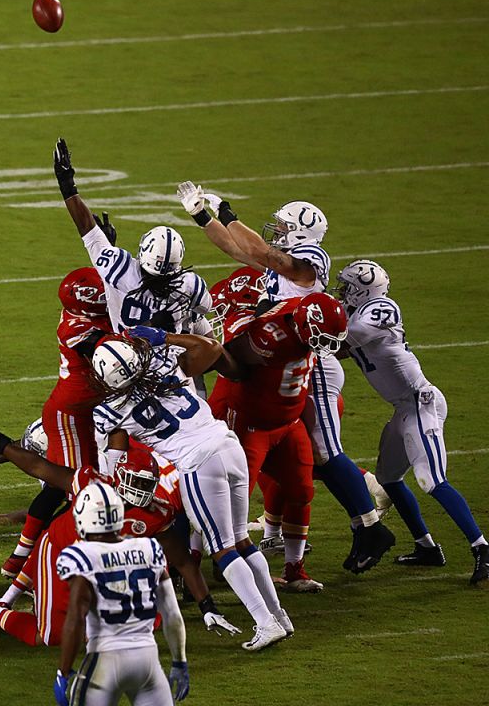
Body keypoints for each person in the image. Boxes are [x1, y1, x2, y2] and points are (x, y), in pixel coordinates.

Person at [178, 183, 394, 571]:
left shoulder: (307, 262)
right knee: (300, 453)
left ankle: (370, 524)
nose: (275, 232)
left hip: (310, 363)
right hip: (286, 356)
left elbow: (263, 252)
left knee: (325, 452)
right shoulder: (284, 265)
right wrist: (202, 217)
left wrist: (227, 212)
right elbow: (237, 249)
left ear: (301, 232)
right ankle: (279, 528)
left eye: (283, 226)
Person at [88, 333, 291, 650]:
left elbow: (114, 459)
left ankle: (266, 623)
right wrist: (164, 336)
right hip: (228, 445)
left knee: (221, 547)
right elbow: (211, 348)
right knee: (240, 538)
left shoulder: (111, 412)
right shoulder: (163, 361)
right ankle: (279, 615)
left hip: (198, 463)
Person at [0, 429, 239, 646]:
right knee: (51, 636)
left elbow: (183, 561)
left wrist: (207, 607)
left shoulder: (155, 513)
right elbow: (40, 468)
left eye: (146, 484)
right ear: (122, 475)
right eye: (136, 482)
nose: (141, 490)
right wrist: (2, 444)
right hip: (62, 553)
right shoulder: (92, 482)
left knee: (147, 622)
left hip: (105, 565)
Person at [337, 260, 489, 584]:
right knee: (389, 479)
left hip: (421, 404)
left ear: (364, 289)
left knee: (431, 480)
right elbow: (336, 347)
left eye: (348, 287)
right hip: (403, 408)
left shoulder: (381, 307)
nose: (343, 293)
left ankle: (482, 548)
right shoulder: (357, 314)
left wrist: (317, 325)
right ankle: (427, 547)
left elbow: (346, 339)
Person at [211, 293, 350, 590]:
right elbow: (229, 360)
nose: (324, 345)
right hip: (250, 425)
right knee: (232, 499)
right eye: (320, 336)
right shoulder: (269, 336)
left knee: (302, 490)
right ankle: (220, 560)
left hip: (288, 423)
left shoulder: (299, 311)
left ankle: (293, 570)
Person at [0, 267, 111, 580]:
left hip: (78, 411)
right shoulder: (78, 330)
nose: (106, 293)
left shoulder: (81, 312)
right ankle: (32, 566)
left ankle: (19, 559)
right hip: (70, 416)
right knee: (78, 492)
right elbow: (112, 355)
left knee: (62, 489)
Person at [54, 139, 212, 335]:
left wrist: (66, 182)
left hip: (127, 355)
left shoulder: (119, 267)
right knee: (201, 327)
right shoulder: (190, 285)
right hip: (172, 360)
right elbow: (203, 308)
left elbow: (88, 229)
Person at [52, 482, 189, 705]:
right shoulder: (149, 549)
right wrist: (179, 661)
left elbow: (76, 618)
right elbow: (172, 614)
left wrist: (63, 671)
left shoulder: (82, 555)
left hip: (104, 659)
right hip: (147, 660)